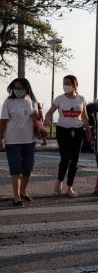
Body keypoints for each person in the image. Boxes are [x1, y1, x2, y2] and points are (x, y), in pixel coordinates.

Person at [45, 75, 91, 198]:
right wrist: (47, 119)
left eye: (68, 83)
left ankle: (69, 187)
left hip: (78, 130)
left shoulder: (81, 99)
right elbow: (50, 112)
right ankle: (59, 181)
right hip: (62, 130)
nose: (66, 85)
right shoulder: (59, 99)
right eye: (64, 83)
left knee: (74, 160)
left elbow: (85, 117)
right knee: (65, 157)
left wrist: (88, 131)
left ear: (75, 85)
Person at [0, 78, 39, 206]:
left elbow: (38, 119)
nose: (18, 90)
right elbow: (3, 121)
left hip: (30, 139)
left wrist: (37, 117)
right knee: (15, 168)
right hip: (12, 140)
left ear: (26, 88)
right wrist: (0, 138)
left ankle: (23, 191)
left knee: (28, 166)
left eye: (20, 88)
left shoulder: (32, 101)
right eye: (15, 88)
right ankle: (16, 196)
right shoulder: (8, 102)